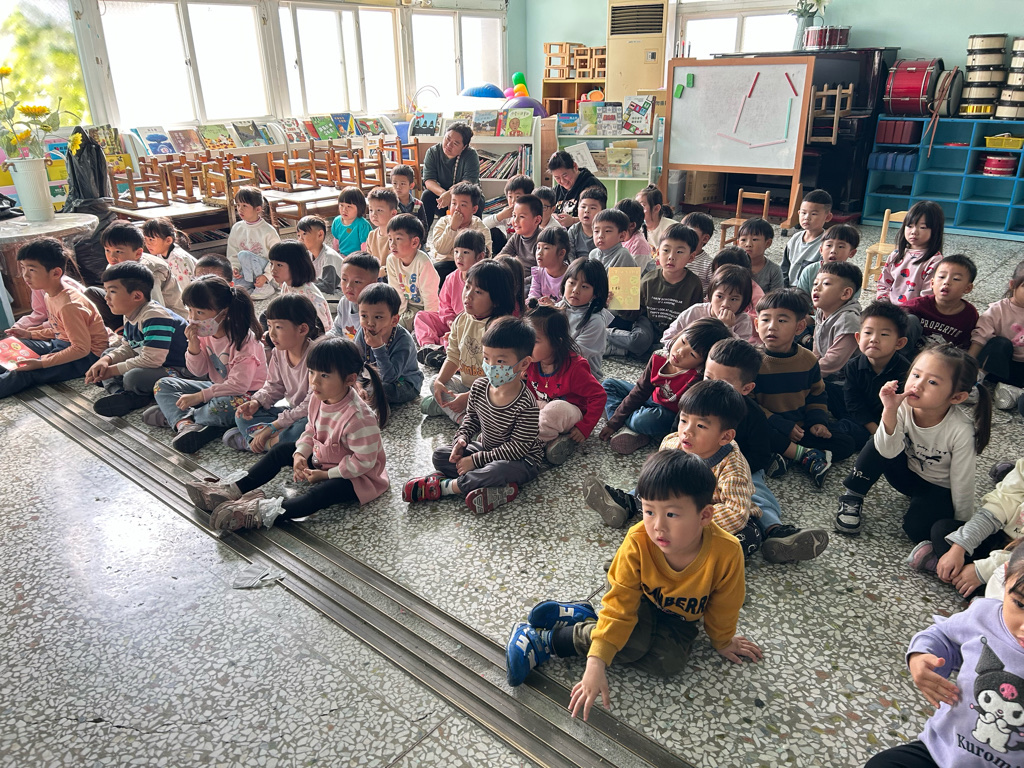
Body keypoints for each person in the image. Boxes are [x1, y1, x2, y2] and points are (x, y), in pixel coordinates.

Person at [505, 450, 762, 709]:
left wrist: (723, 641)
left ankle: (584, 617)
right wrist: (596, 662)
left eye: (671, 514)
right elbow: (620, 608)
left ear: (705, 516)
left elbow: (725, 606)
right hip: (634, 591)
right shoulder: (638, 540)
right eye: (649, 511)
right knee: (633, 642)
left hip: (677, 614)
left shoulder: (726, 552)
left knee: (669, 663)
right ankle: (545, 640)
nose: (658, 526)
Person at [184, 337, 389, 531]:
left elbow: (364, 462)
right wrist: (300, 454)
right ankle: (233, 489)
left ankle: (261, 513)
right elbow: (311, 430)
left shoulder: (359, 418)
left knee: (320, 494)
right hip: (325, 461)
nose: (314, 382)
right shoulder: (318, 398)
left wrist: (326, 475)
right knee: (282, 451)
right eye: (311, 372)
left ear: (349, 379)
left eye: (324, 375)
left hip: (357, 477)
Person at [863, 545, 1024, 768]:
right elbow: (944, 635)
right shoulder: (984, 615)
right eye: (1020, 604)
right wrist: (920, 656)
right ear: (1005, 575)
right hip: (944, 749)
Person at [835, 344, 991, 540]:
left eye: (932, 382)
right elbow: (886, 450)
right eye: (916, 375)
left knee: (918, 531)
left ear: (957, 397)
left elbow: (963, 481)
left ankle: (923, 509)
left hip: (935, 488)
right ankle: (853, 495)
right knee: (877, 440)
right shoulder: (903, 407)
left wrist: (962, 527)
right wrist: (889, 410)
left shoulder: (961, 430)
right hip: (904, 475)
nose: (918, 385)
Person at [701, 338, 830, 563]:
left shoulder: (752, 414)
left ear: (746, 388)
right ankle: (635, 501)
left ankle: (776, 531)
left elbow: (760, 454)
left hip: (741, 467)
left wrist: (734, 471)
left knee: (756, 493)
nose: (712, 389)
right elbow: (676, 432)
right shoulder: (695, 401)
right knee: (662, 480)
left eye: (723, 384)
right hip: (697, 464)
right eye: (708, 378)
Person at [404, 316, 542, 515]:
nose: (491, 366)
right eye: (486, 358)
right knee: (441, 455)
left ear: (524, 364)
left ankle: (445, 487)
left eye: (500, 361)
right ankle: (494, 488)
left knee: (496, 470)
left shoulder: (527, 405)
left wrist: (476, 461)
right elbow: (472, 418)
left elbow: (516, 449)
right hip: (486, 448)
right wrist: (461, 439)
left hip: (521, 461)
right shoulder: (479, 387)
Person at [147, 277, 268, 454]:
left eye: (200, 312)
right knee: (163, 385)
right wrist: (193, 346)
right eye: (190, 310)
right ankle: (186, 424)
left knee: (221, 408)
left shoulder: (244, 340)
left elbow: (239, 386)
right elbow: (198, 371)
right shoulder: (205, 334)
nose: (192, 318)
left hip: (248, 395)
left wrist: (200, 396)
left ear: (224, 313)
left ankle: (179, 416)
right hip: (216, 387)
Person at [754, 288, 856, 487]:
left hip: (800, 429)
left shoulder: (808, 360)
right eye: (765, 320)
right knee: (749, 438)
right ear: (757, 324)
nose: (772, 327)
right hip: (768, 426)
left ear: (800, 326)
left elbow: (816, 394)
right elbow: (748, 404)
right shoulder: (751, 360)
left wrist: (818, 422)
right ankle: (801, 456)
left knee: (847, 443)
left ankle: (789, 456)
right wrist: (780, 424)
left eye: (782, 320)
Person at [0, 238, 111, 400]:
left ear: (56, 273)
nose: (25, 275)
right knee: (9, 347)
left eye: (32, 269)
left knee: (24, 371)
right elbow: (59, 329)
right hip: (62, 344)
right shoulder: (50, 294)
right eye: (23, 268)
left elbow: (81, 349)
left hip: (86, 358)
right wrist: (30, 334)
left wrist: (41, 363)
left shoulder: (69, 305)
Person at [601, 318, 731, 455]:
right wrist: (614, 423)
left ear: (702, 363)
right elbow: (640, 391)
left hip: (667, 414)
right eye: (683, 341)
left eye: (692, 354)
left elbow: (683, 415)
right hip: (651, 398)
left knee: (642, 420)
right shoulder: (659, 357)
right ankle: (630, 428)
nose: (680, 352)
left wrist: (619, 415)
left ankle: (628, 422)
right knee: (608, 385)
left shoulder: (696, 378)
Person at [86, 261, 189, 417]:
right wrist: (106, 361)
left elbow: (152, 360)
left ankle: (132, 394)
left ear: (136, 296)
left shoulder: (155, 316)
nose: (106, 297)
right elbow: (129, 347)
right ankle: (121, 394)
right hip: (153, 364)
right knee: (107, 354)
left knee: (133, 377)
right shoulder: (130, 313)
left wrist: (112, 370)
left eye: (112, 291)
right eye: (106, 291)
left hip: (178, 369)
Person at [421, 259, 516, 422]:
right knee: (434, 382)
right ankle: (462, 418)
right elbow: (453, 357)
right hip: (466, 386)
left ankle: (451, 410)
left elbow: (500, 378)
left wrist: (468, 398)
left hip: (491, 391)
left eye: (478, 292)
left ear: (496, 300)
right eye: (467, 287)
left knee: (500, 406)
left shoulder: (499, 328)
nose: (468, 295)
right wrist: (440, 382)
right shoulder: (461, 320)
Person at [224, 294, 317, 453]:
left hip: (312, 415)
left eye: (278, 327)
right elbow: (274, 386)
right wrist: (256, 402)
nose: (271, 334)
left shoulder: (317, 358)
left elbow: (310, 406)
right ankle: (274, 442)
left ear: (302, 329)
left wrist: (273, 427)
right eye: (269, 325)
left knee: (305, 428)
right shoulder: (278, 353)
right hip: (294, 412)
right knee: (242, 415)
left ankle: (257, 443)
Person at [524, 306, 606, 465]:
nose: (526, 346)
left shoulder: (575, 368)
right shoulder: (532, 362)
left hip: (570, 414)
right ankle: (548, 440)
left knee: (556, 408)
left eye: (534, 341)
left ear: (556, 342)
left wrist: (584, 427)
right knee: (520, 402)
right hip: (545, 409)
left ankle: (527, 444)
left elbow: (599, 396)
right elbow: (530, 392)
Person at [835, 301, 911, 451]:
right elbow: (853, 402)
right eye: (868, 333)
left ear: (899, 343)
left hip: (886, 422)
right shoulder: (853, 365)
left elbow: (903, 411)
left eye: (884, 334)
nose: (874, 339)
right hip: (860, 415)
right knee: (826, 389)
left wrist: (877, 431)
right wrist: (871, 428)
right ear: (858, 338)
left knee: (854, 435)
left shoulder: (905, 371)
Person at [619, 224, 704, 352]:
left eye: (679, 252)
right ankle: (606, 334)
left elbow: (694, 319)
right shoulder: (648, 279)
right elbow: (636, 313)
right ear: (658, 253)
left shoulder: (694, 284)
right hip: (648, 325)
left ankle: (640, 350)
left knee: (676, 347)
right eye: (666, 250)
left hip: (676, 330)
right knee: (639, 341)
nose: (671, 257)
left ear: (691, 257)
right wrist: (620, 302)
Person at [947, 461, 1024, 599]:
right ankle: (960, 576)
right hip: (1009, 542)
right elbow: (998, 506)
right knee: (943, 530)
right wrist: (960, 546)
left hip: (1018, 563)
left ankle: (979, 593)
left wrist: (983, 570)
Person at [416, 229, 487, 358]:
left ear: (480, 256)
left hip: (472, 326)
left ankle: (444, 352)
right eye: (456, 251)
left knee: (458, 341)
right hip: (452, 322)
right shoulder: (451, 278)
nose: (459, 256)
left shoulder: (484, 281)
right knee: (422, 317)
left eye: (466, 252)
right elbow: (444, 305)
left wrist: (458, 327)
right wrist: (450, 321)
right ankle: (430, 347)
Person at [970, 258, 1024, 411]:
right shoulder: (998, 309)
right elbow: (980, 337)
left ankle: (1014, 392)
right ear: (1012, 285)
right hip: (998, 367)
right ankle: (974, 383)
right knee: (999, 343)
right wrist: (968, 365)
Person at [102, 221, 187, 318]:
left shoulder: (150, 272)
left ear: (138, 253)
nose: (112, 256)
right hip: (132, 310)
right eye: (107, 250)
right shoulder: (114, 265)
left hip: (167, 318)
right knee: (93, 293)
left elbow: (156, 310)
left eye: (118, 251)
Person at [354, 283, 422, 405]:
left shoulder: (403, 340)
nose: (370, 323)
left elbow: (390, 378)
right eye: (364, 316)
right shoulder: (363, 332)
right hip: (372, 378)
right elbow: (355, 362)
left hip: (403, 382)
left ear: (394, 320)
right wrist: (358, 385)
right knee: (342, 380)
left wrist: (378, 347)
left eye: (378, 317)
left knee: (382, 389)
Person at [660, 264, 754, 345]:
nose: (725, 304)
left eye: (733, 299)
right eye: (720, 296)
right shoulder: (696, 312)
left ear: (744, 300)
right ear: (711, 295)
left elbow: (739, 354)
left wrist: (727, 329)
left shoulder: (743, 321)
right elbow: (667, 339)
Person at [877, 199, 945, 306]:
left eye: (922, 227)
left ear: (935, 230)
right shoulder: (896, 254)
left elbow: (927, 295)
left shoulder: (935, 260)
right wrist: (883, 304)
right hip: (889, 308)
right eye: (909, 226)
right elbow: (884, 284)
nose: (914, 232)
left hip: (915, 310)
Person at [905, 254, 978, 353]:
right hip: (909, 356)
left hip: (944, 360)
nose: (946, 282)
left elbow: (965, 347)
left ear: (968, 288)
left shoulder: (969, 315)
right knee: (908, 319)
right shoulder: (917, 305)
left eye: (956, 279)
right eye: (941, 277)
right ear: (932, 283)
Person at [559, 257, 613, 380]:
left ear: (596, 293)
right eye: (572, 283)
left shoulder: (595, 321)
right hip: (556, 368)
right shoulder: (559, 307)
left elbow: (573, 355)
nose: (575, 290)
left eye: (584, 287)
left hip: (582, 378)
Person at [428, 181, 492, 283]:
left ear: (474, 209)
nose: (457, 208)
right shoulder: (443, 222)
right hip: (447, 264)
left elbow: (486, 256)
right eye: (453, 203)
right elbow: (441, 249)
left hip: (471, 266)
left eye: (463, 205)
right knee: (435, 270)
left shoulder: (480, 227)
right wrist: (452, 228)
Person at [385, 213, 439, 331]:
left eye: (398, 239)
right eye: (390, 239)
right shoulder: (391, 260)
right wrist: (398, 315)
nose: (392, 244)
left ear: (414, 242)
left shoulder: (423, 262)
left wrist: (429, 322)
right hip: (406, 306)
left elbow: (430, 297)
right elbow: (396, 291)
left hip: (423, 307)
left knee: (397, 328)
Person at [421, 122, 481, 230]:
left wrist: (451, 195)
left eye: (455, 143)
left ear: (464, 147)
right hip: (442, 198)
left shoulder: (471, 155)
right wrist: (444, 194)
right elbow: (429, 181)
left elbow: (468, 182)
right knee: (427, 196)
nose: (449, 145)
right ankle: (422, 235)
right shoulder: (433, 152)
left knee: (477, 199)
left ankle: (474, 236)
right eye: (447, 139)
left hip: (463, 197)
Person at [811, 261, 863, 379]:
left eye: (826, 283)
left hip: (844, 378)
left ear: (846, 293)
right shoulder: (821, 311)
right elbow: (816, 346)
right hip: (825, 371)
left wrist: (805, 374)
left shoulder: (848, 320)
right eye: (815, 283)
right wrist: (811, 363)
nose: (816, 288)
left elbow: (833, 361)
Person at [226, 186, 281, 298]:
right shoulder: (237, 228)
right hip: (245, 274)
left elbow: (278, 256)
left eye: (244, 206)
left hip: (265, 273)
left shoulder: (268, 231)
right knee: (233, 289)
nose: (240, 209)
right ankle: (252, 286)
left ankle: (265, 286)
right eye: (238, 205)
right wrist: (235, 268)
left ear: (258, 209)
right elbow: (232, 252)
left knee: (244, 254)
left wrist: (266, 276)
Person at [267, 241, 333, 334]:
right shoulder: (287, 284)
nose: (273, 270)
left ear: (296, 266)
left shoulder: (309, 297)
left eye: (279, 265)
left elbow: (320, 331)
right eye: (271, 263)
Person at [780, 188, 833, 288]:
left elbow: (823, 275)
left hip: (810, 291)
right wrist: (784, 289)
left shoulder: (827, 244)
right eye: (804, 213)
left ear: (827, 217)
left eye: (813, 214)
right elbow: (784, 267)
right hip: (788, 290)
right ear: (798, 213)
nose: (807, 217)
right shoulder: (795, 238)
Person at [795, 223, 860, 298]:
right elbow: (800, 299)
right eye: (829, 245)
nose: (833, 251)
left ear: (852, 253)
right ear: (821, 250)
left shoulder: (853, 275)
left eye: (841, 246)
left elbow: (852, 301)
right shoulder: (809, 271)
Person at [327, 253, 379, 342]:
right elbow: (337, 329)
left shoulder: (378, 311)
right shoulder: (344, 302)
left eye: (357, 282)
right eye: (344, 279)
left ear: (373, 283)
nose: (348, 286)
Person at [548, 151, 606, 228]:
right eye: (557, 178)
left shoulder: (592, 185)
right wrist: (552, 217)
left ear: (575, 166)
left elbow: (600, 217)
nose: (562, 181)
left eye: (565, 175)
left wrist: (573, 220)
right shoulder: (557, 190)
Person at [499, 194, 545, 283]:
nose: (515, 221)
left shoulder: (542, 240)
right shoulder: (517, 237)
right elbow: (501, 257)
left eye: (522, 217)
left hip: (534, 283)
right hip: (518, 279)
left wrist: (519, 283)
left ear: (537, 220)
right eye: (514, 215)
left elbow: (542, 273)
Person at [142, 217, 196, 294]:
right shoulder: (160, 253)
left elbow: (185, 289)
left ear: (168, 240)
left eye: (151, 240)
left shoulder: (178, 259)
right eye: (145, 239)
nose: (147, 244)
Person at [482, 174, 534, 253]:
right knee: (492, 231)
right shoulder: (507, 213)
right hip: (509, 248)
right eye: (510, 197)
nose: (513, 201)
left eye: (518, 197)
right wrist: (500, 216)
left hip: (526, 249)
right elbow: (484, 225)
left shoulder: (531, 214)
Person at [295, 215, 344, 297]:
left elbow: (328, 287)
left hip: (338, 293)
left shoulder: (329, 257)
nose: (300, 239)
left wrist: (305, 286)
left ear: (320, 235)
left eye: (304, 234)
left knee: (307, 296)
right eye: (298, 235)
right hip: (322, 289)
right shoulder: (308, 254)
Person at [736, 218, 782, 293]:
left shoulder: (774, 271)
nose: (748, 244)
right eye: (743, 240)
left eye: (755, 239)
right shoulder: (733, 264)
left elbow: (776, 297)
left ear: (768, 243)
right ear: (738, 243)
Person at [528, 226, 570, 305]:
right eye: (538, 247)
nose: (539, 253)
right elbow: (534, 294)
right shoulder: (538, 273)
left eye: (546, 248)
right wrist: (533, 302)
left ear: (561, 253)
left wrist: (553, 306)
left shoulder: (570, 276)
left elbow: (568, 304)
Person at [331, 186, 373, 259]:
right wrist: (335, 255)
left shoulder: (363, 225)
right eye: (341, 205)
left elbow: (365, 246)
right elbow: (336, 240)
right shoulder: (336, 221)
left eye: (349, 206)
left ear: (359, 207)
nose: (344, 210)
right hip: (342, 256)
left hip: (357, 258)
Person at [363, 186, 399, 267]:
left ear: (393, 213)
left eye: (379, 210)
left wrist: (379, 272)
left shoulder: (398, 237)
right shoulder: (371, 235)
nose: (374, 214)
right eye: (371, 210)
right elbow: (369, 260)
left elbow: (397, 264)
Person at [615, 198, 653, 273]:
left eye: (616, 221)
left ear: (632, 225)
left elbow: (632, 274)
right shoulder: (617, 238)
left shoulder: (639, 244)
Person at [567, 186, 605, 261]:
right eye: (583, 207)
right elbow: (570, 255)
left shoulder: (605, 232)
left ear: (602, 211)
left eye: (592, 208)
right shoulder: (573, 230)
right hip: (577, 266)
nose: (586, 211)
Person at [680, 211, 715, 292]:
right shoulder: (675, 256)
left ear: (705, 238)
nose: (683, 234)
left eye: (690, 232)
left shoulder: (709, 264)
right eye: (681, 229)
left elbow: (715, 288)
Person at [636, 184, 674, 252]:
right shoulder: (636, 228)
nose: (637, 209)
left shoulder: (671, 229)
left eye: (642, 206)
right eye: (636, 205)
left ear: (656, 208)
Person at [390, 165, 427, 230]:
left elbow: (424, 227)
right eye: (395, 183)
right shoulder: (390, 204)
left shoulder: (418, 204)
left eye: (402, 184)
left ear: (411, 185)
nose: (398, 187)